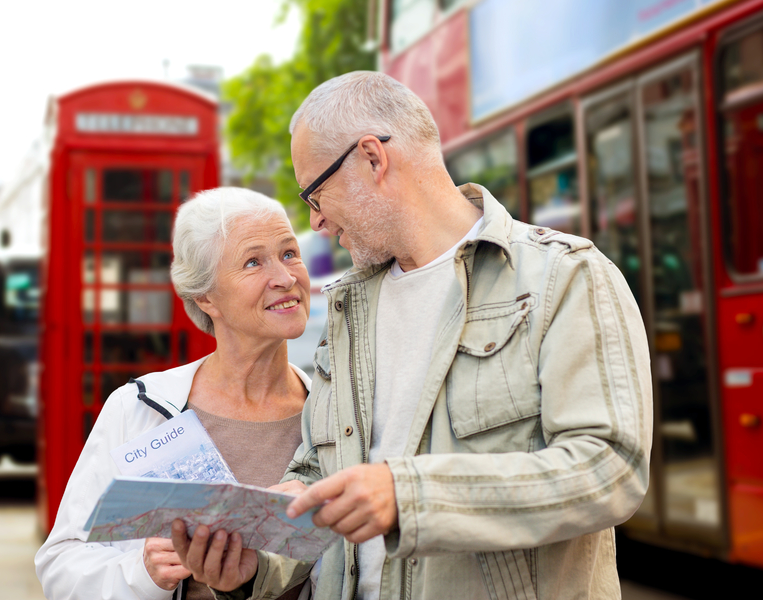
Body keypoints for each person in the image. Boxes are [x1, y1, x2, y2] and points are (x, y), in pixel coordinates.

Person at [175, 72, 653, 600]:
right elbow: (317, 479)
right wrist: (251, 569)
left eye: (315, 193)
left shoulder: (564, 276)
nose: (318, 224)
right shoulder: (349, 308)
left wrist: (409, 496)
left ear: (373, 159)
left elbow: (609, 468)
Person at [35, 188, 315, 600]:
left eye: (289, 253)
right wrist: (144, 573)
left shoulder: (332, 414)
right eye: (253, 261)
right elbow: (60, 564)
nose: (286, 277)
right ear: (206, 297)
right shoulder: (139, 408)